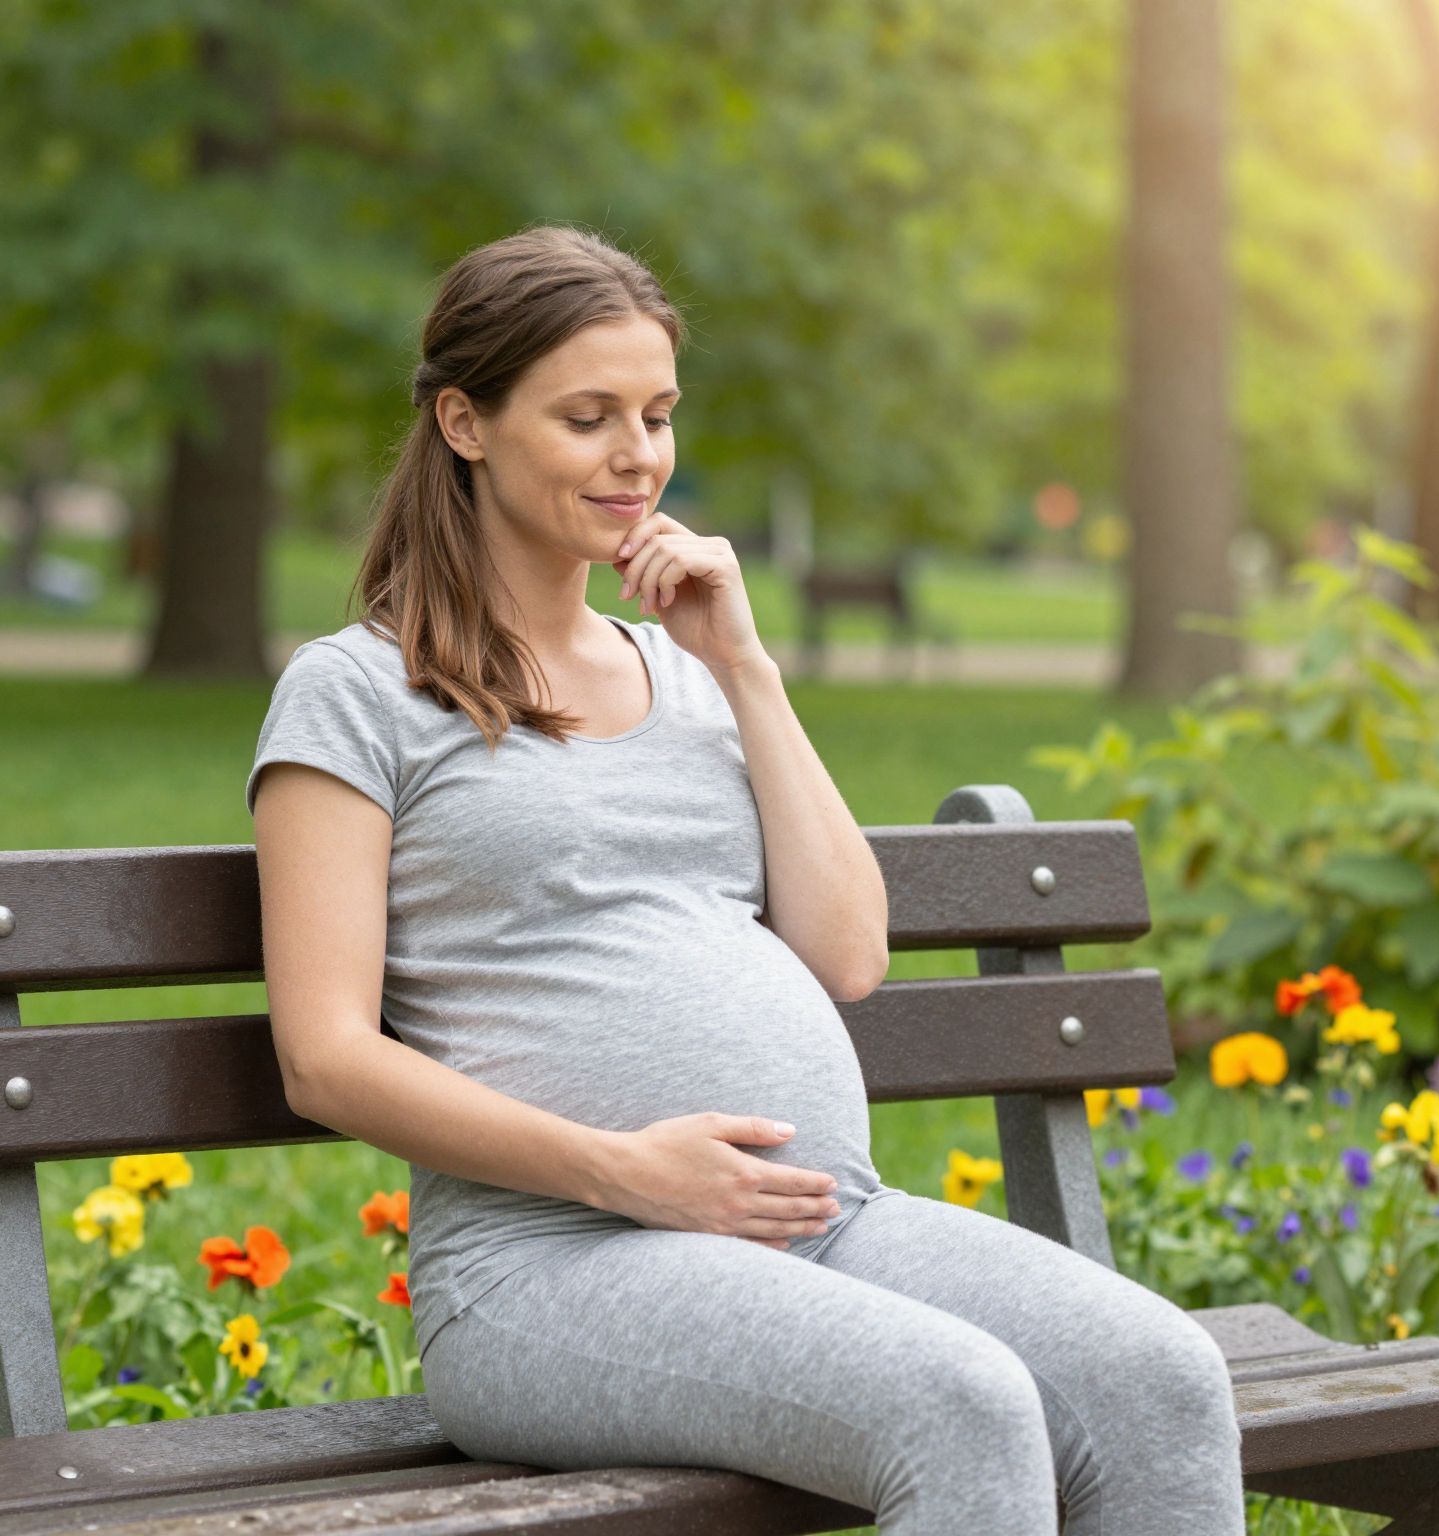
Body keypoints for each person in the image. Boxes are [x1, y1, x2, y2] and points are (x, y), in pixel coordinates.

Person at [246, 223, 1245, 1534]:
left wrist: (744, 666)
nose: (638, 456)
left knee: (1165, 1380)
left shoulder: (691, 678)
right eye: (588, 415)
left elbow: (847, 956)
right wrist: (624, 1173)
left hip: (821, 1223)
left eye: (657, 415)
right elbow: (323, 1057)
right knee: (964, 1403)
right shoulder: (356, 693)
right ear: (464, 423)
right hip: (548, 1265)